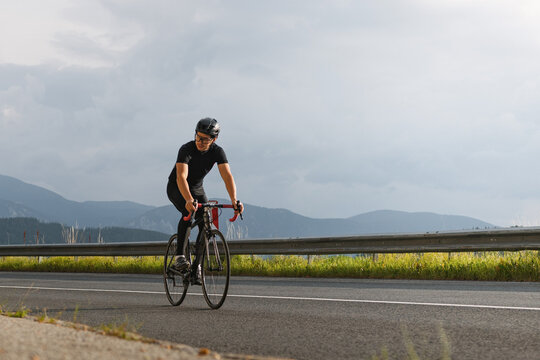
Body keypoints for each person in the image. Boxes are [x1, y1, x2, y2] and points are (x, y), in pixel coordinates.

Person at [166, 117, 243, 284]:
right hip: (177, 187)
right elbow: (181, 177)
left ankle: (197, 266)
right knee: (189, 210)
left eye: (205, 139)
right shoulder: (186, 149)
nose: (200, 142)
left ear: (214, 139)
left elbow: (227, 176)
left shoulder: (217, 151)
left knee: (206, 221)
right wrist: (188, 199)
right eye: (198, 137)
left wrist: (234, 200)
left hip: (197, 188)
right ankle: (179, 256)